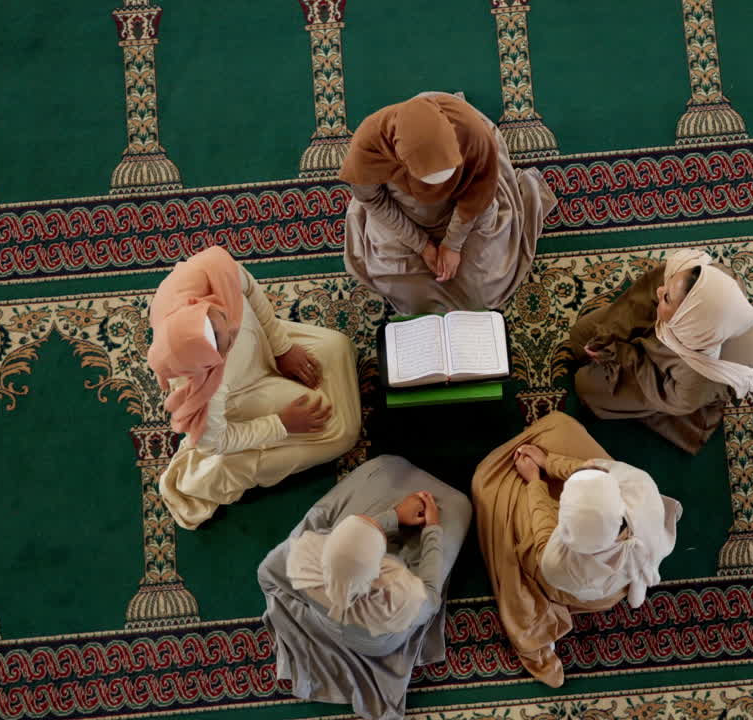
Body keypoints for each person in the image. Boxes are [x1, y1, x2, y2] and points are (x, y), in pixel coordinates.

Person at [147, 246, 361, 530]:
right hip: (241, 393)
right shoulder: (205, 388)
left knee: (338, 347)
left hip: (261, 346)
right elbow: (214, 441)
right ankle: (208, 475)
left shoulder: (207, 273)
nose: (233, 329)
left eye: (224, 320)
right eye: (226, 343)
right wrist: (281, 424)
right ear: (211, 361)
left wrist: (282, 348)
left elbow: (247, 289)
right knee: (340, 433)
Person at [471, 411, 680, 688]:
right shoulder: (640, 487)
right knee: (560, 426)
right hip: (623, 572)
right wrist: (550, 462)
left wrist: (535, 480)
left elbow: (543, 531)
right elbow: (595, 469)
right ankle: (637, 581)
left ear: (566, 527)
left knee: (490, 484)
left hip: (574, 584)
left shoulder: (559, 562)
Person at [257, 455, 472, 720]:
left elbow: (266, 573)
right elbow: (430, 594)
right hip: (378, 647)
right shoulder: (400, 599)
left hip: (331, 621)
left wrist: (390, 517)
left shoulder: (300, 560)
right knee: (459, 505)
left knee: (387, 468)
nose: (376, 524)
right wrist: (432, 529)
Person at [339, 91, 556, 315]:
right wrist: (422, 245)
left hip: (468, 210)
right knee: (410, 295)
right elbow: (374, 201)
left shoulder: (472, 132)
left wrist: (453, 245)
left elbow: (479, 192)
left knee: (483, 290)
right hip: (403, 209)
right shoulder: (368, 146)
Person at [567, 248, 753, 455]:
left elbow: (658, 388)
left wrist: (618, 354)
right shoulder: (696, 274)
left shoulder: (697, 379)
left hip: (668, 375)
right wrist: (608, 336)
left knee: (585, 385)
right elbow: (640, 298)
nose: (661, 290)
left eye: (667, 297)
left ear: (686, 323)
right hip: (672, 330)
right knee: (580, 335)